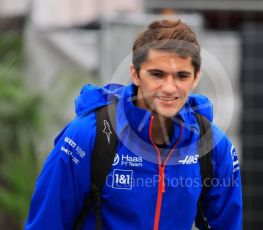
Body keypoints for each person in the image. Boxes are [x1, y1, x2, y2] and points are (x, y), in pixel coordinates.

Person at [25, 19, 242, 230]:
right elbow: (47, 222)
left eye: (181, 76)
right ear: (135, 74)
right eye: (157, 74)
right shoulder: (87, 135)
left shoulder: (213, 145)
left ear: (195, 78)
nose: (169, 88)